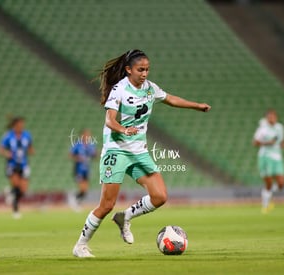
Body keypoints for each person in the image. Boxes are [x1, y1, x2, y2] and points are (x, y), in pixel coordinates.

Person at [72, 49, 211, 258]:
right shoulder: (119, 90)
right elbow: (110, 120)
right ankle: (80, 246)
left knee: (160, 196)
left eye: (147, 69)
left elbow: (171, 99)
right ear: (128, 70)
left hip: (139, 152)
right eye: (140, 69)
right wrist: (123, 129)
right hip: (116, 151)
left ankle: (125, 217)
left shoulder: (149, 88)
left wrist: (197, 106)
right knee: (106, 204)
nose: (145, 73)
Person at [0, 116, 34, 219]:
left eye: (22, 124)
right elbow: (1, 150)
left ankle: (9, 192)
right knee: (17, 186)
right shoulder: (8, 136)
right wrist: (7, 153)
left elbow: (30, 147)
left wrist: (31, 151)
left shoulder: (27, 135)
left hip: (24, 164)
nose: (21, 126)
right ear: (14, 125)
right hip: (12, 164)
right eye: (19, 124)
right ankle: (15, 209)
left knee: (23, 189)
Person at [253, 109, 284, 214]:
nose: (272, 118)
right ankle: (265, 205)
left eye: (273, 116)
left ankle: (267, 194)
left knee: (281, 183)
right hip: (265, 157)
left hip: (277, 157)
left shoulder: (280, 127)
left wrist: (282, 144)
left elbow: (281, 140)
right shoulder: (262, 129)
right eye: (270, 116)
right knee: (269, 182)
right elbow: (255, 143)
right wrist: (268, 143)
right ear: (267, 118)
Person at [68, 129, 97, 210]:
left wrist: (96, 154)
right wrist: (77, 158)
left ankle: (76, 201)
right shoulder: (77, 145)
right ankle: (74, 200)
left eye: (89, 135)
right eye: (86, 135)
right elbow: (70, 155)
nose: (88, 137)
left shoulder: (90, 146)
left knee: (85, 190)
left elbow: (94, 155)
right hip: (78, 169)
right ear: (82, 136)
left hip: (86, 169)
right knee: (82, 188)